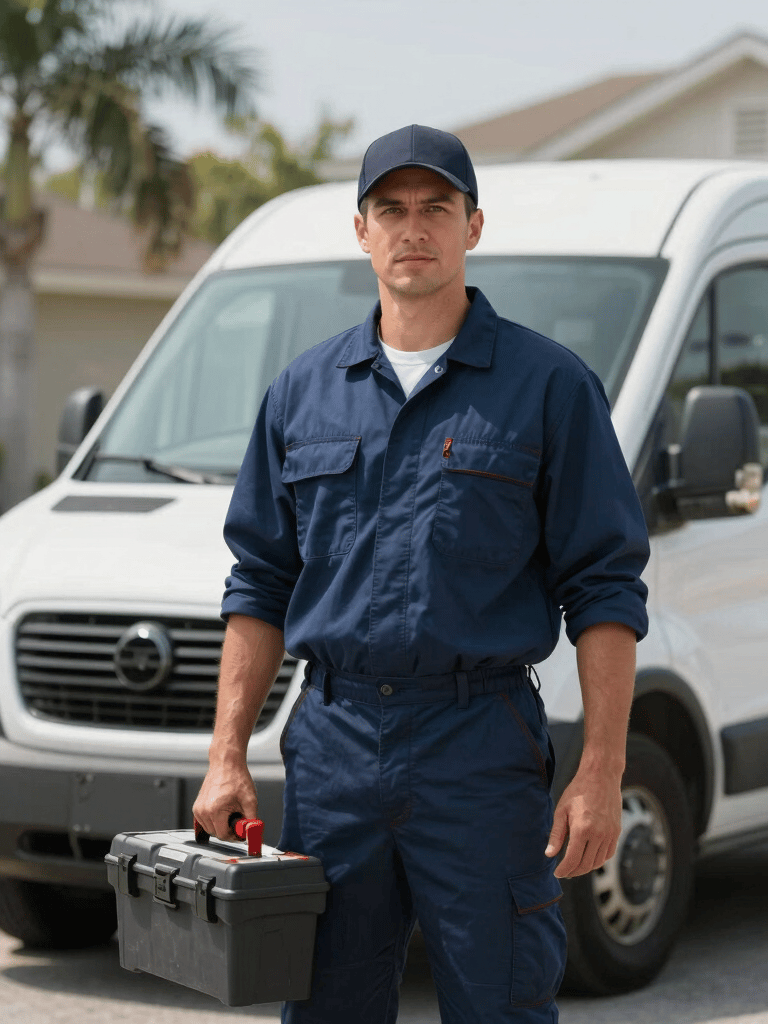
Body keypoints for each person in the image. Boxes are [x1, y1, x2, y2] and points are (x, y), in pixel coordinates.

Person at [193, 124, 650, 1024]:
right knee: (326, 1004)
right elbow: (259, 581)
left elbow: (605, 588)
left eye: (435, 207)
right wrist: (225, 755)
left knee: (501, 1004)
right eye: (390, 209)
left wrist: (601, 769)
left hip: (478, 745)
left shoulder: (549, 387)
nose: (413, 228)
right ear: (360, 231)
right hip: (333, 748)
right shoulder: (302, 392)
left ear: (473, 226)